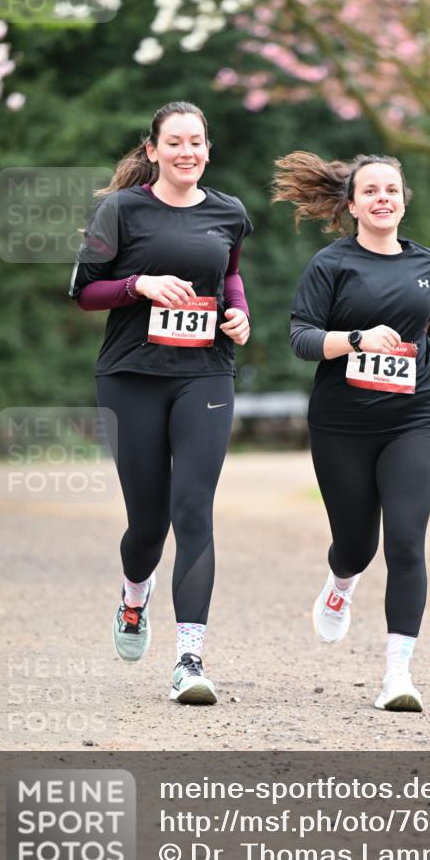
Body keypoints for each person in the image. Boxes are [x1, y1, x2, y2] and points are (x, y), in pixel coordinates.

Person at [274, 151, 430, 712]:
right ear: (352, 205)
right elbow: (301, 338)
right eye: (370, 191)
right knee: (357, 545)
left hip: (413, 416)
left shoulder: (426, 261)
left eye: (391, 190)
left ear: (403, 199)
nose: (382, 199)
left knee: (405, 541)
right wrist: (353, 340)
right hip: (342, 422)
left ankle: (398, 675)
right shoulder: (331, 264)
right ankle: (341, 582)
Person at [69, 101, 253, 705]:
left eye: (196, 142)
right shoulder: (120, 210)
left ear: (207, 149)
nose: (186, 153)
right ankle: (132, 595)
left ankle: (189, 659)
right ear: (152, 151)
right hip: (131, 377)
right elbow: (84, 291)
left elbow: (228, 274)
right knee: (149, 525)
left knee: (194, 509)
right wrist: (138, 285)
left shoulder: (229, 212)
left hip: (204, 374)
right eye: (174, 143)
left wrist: (239, 314)